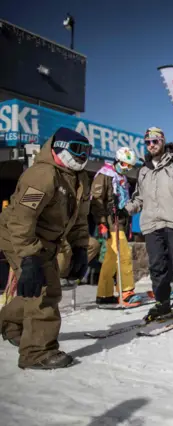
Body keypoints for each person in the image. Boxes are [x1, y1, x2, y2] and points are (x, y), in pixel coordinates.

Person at [0, 127, 92, 369]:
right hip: (16, 234)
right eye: (76, 149)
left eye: (87, 150)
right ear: (58, 148)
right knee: (43, 289)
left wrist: (81, 248)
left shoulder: (79, 179)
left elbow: (80, 218)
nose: (82, 155)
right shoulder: (42, 175)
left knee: (42, 288)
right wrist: (29, 258)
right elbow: (22, 219)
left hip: (47, 239)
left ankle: (9, 323)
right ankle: (36, 352)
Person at [125, 127, 173, 321]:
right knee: (157, 268)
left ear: (163, 141)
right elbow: (138, 198)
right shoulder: (143, 170)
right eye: (148, 142)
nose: (151, 145)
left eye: (155, 141)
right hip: (151, 225)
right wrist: (125, 210)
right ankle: (163, 304)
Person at [91, 147, 141, 306]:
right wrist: (102, 222)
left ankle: (104, 294)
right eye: (126, 165)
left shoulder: (121, 177)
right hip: (110, 222)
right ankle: (126, 292)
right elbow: (96, 200)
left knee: (111, 259)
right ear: (118, 161)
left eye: (130, 166)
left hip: (120, 222)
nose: (127, 169)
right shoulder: (105, 175)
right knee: (124, 255)